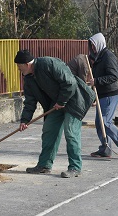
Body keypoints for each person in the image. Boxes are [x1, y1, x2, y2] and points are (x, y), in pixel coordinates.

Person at [15, 50, 95, 178]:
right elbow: (30, 102)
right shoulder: (29, 79)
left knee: (70, 132)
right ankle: (44, 165)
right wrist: (25, 120)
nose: (18, 69)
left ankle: (75, 167)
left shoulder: (49, 63)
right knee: (49, 130)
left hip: (74, 100)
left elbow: (70, 82)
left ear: (26, 64)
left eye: (19, 66)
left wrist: (62, 101)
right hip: (56, 104)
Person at [88, 33, 118, 159]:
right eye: (91, 45)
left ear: (99, 43)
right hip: (101, 94)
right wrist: (93, 95)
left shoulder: (108, 56)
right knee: (99, 123)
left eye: (93, 45)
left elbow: (114, 76)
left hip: (109, 95)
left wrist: (97, 81)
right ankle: (105, 149)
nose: (92, 48)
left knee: (105, 122)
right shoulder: (98, 58)